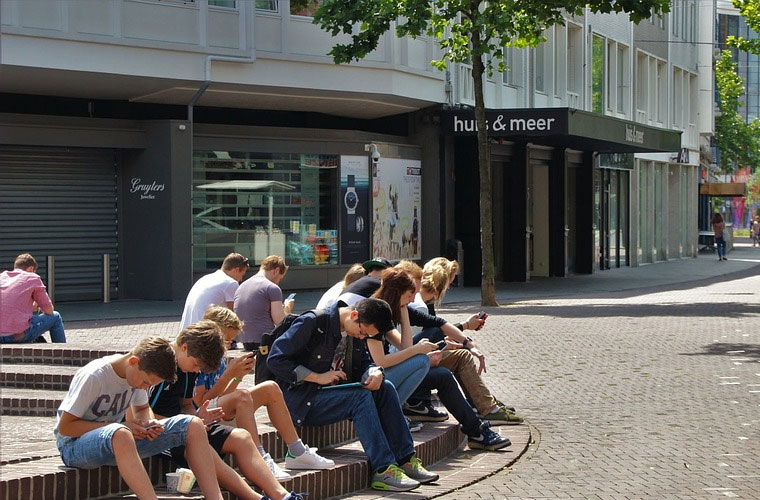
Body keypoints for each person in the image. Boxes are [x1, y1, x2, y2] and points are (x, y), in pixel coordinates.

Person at [267, 297, 438, 492]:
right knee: (359, 396)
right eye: (362, 332)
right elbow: (276, 359)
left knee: (386, 387)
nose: (362, 338)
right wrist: (317, 377)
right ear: (354, 315)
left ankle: (405, 459)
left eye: (366, 336)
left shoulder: (354, 331)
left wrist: (375, 372)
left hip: (328, 395)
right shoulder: (314, 321)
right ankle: (383, 469)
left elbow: (365, 363)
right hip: (300, 401)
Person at [55, 337, 229, 500]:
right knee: (121, 433)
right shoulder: (94, 376)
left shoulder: (136, 375)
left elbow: (143, 408)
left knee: (193, 424)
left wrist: (148, 423)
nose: (144, 387)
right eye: (146, 383)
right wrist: (123, 426)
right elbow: (65, 428)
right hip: (74, 446)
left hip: (118, 441)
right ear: (133, 361)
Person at [148, 320, 303, 500]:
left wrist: (197, 417)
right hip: (159, 433)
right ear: (184, 347)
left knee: (242, 437)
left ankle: (282, 496)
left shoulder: (188, 367)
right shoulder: (160, 364)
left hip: (186, 427)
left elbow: (186, 405)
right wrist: (188, 423)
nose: (197, 370)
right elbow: (143, 414)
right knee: (202, 447)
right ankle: (257, 498)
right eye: (197, 365)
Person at [371, 268, 513, 451]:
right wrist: (420, 353)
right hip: (374, 378)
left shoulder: (396, 308)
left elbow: (410, 344)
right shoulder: (375, 311)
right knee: (423, 361)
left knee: (443, 375)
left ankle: (476, 431)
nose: (413, 300)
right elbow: (381, 361)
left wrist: (469, 344)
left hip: (387, 373)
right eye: (410, 295)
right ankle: (396, 410)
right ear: (397, 293)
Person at [194, 306, 334, 481]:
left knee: (270, 387)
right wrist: (229, 375)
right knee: (241, 396)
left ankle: (297, 450)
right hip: (199, 416)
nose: (229, 344)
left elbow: (221, 397)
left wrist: (237, 377)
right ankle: (258, 458)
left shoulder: (220, 360)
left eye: (231, 340)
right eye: (226, 339)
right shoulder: (196, 358)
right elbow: (202, 403)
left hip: (218, 410)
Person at [406, 261, 522, 426]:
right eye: (450, 283)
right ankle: (485, 409)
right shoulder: (419, 306)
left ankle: (484, 406)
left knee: (460, 355)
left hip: (409, 357)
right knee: (461, 358)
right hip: (407, 362)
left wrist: (451, 342)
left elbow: (429, 335)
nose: (450, 288)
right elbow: (418, 341)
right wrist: (466, 334)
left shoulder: (421, 305)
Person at [0, 253, 66, 344]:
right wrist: (37, 307)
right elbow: (49, 311)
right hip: (16, 336)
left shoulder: (2, 277)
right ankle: (62, 352)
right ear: (31, 269)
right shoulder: (33, 278)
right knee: (56, 317)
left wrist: (29, 307)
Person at [235, 255, 294, 352]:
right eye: (279, 279)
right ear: (276, 271)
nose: (278, 283)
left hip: (244, 340)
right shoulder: (272, 288)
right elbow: (280, 321)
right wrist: (287, 309)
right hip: (264, 341)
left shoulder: (241, 286)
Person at [180, 253, 250, 331]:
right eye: (242, 274)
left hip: (186, 330)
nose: (241, 279)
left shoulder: (207, 278)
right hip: (202, 334)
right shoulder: (231, 283)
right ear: (236, 270)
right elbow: (234, 316)